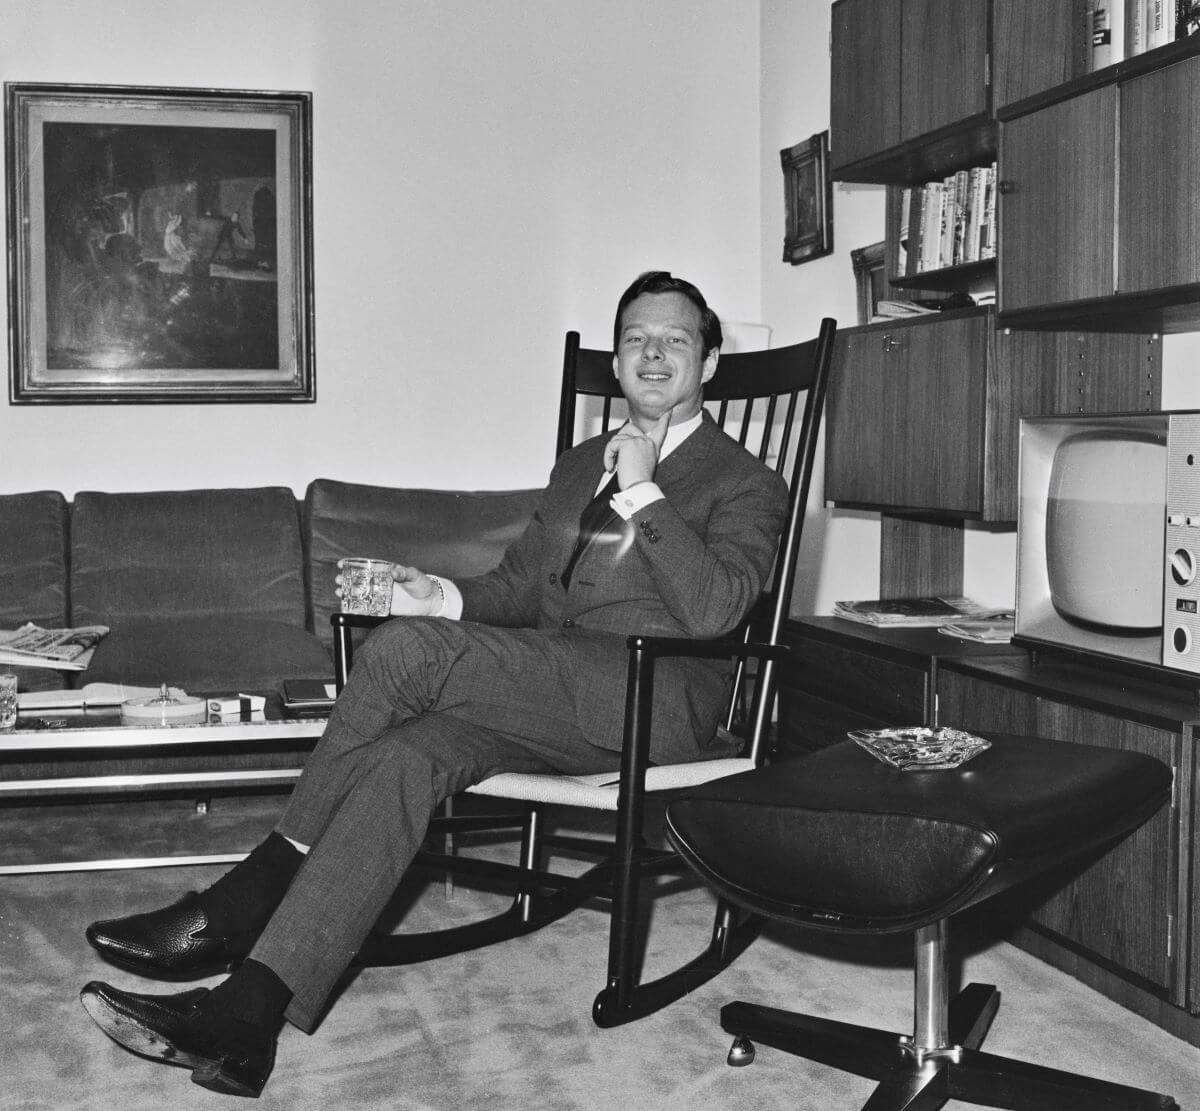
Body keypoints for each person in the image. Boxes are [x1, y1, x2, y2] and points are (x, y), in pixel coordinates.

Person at [79, 271, 789, 1098]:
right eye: (635, 338)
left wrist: (641, 489)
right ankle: (244, 1020)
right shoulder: (574, 469)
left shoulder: (744, 482)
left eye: (675, 338)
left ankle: (247, 896)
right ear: (618, 361)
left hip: (651, 699)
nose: (653, 352)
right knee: (402, 758)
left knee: (410, 652)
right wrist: (441, 596)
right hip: (549, 698)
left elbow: (715, 610)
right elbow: (520, 588)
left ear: (708, 361)